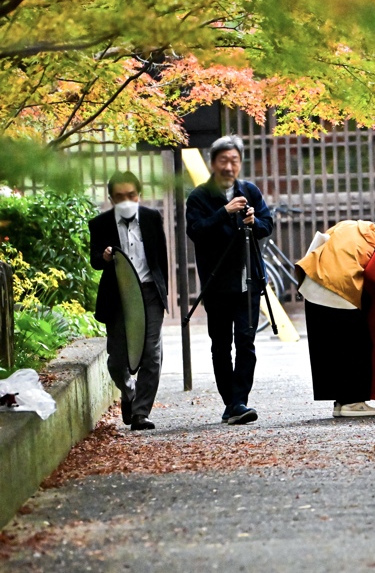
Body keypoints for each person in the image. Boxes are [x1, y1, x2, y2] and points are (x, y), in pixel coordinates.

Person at [186, 135, 273, 425]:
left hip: (248, 280)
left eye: (234, 160)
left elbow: (266, 225)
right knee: (221, 345)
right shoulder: (199, 196)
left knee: (246, 343)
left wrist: (253, 222)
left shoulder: (250, 190)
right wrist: (224, 212)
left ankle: (239, 401)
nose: (229, 166)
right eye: (223, 160)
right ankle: (231, 402)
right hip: (217, 283)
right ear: (213, 163)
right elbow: (196, 231)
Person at [89, 172, 168, 431]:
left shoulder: (152, 218)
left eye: (131, 195)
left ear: (139, 195)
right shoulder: (100, 224)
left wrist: (162, 293)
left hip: (149, 292)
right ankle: (128, 389)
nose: (127, 200)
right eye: (120, 196)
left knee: (151, 354)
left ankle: (140, 413)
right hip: (118, 296)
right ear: (110, 198)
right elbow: (94, 261)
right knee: (117, 358)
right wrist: (105, 257)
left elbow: (161, 260)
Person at [297, 218, 375, 417]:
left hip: (313, 283)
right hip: (341, 288)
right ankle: (354, 401)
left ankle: (340, 401)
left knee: (331, 348)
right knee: (356, 344)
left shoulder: (349, 226)